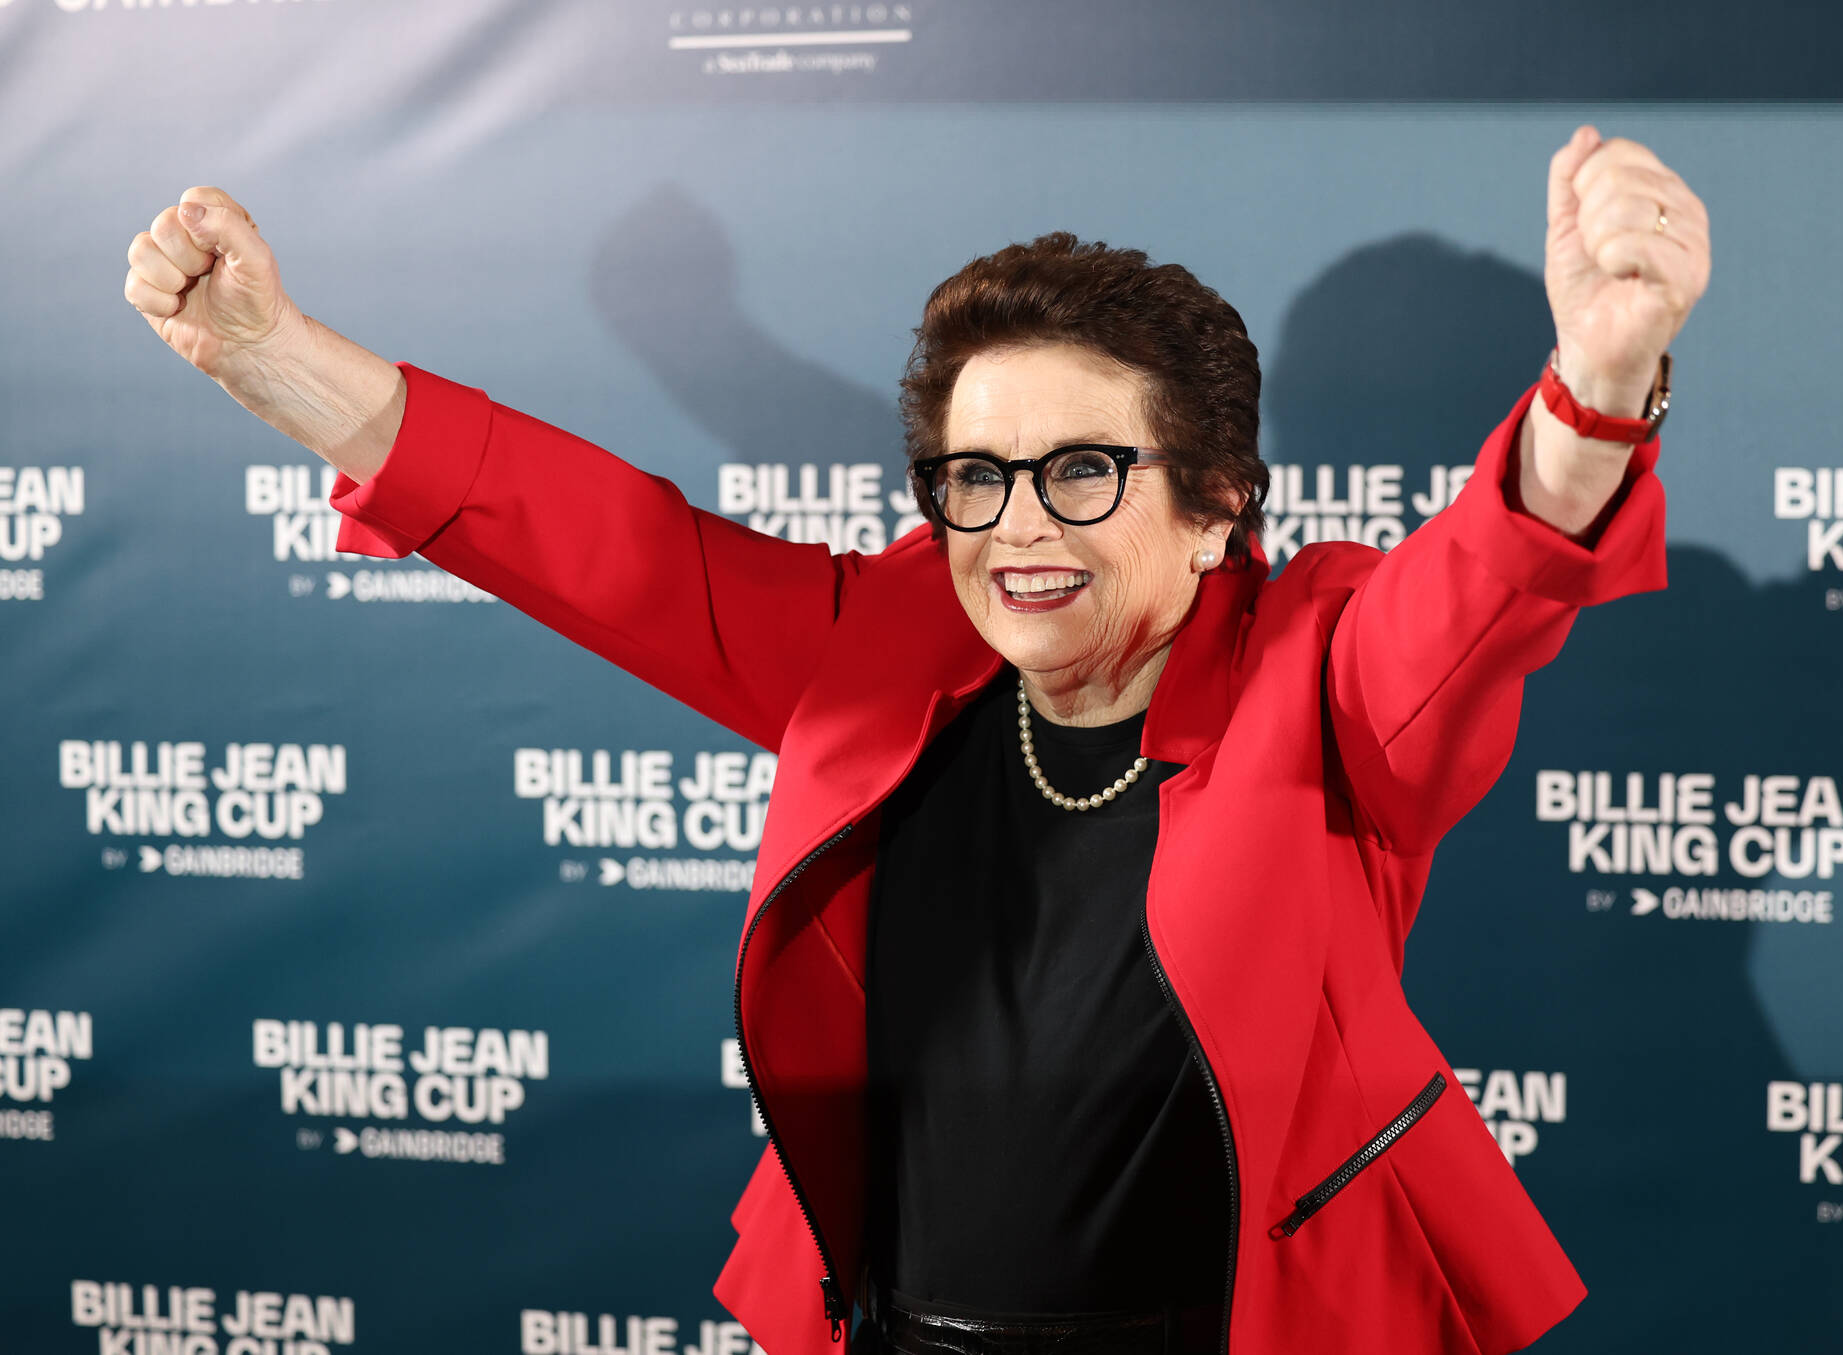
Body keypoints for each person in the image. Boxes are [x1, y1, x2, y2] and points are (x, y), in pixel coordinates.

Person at [123, 123, 1709, 1355]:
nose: (1020, 527)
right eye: (976, 477)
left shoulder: (1323, 670)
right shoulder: (880, 653)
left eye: (1084, 471)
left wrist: (1595, 392)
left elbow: (1477, 595)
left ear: (1217, 504)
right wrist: (278, 358)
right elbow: (601, 546)